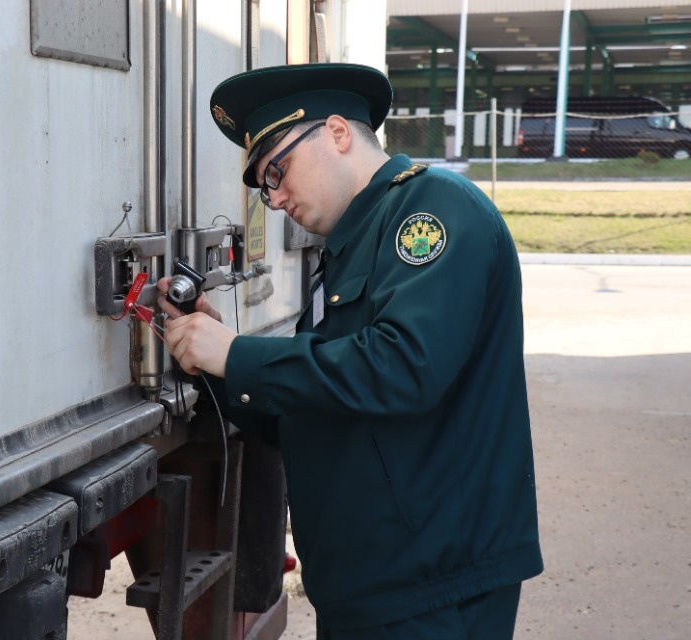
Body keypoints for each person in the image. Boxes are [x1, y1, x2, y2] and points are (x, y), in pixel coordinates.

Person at [157, 63, 543, 639]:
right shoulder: (346, 249)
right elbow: (305, 405)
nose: (277, 197)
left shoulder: (431, 209)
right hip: (370, 585)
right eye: (266, 185)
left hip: (430, 586)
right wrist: (207, 355)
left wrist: (237, 356)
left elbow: (402, 367)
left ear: (338, 133)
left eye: (279, 170)